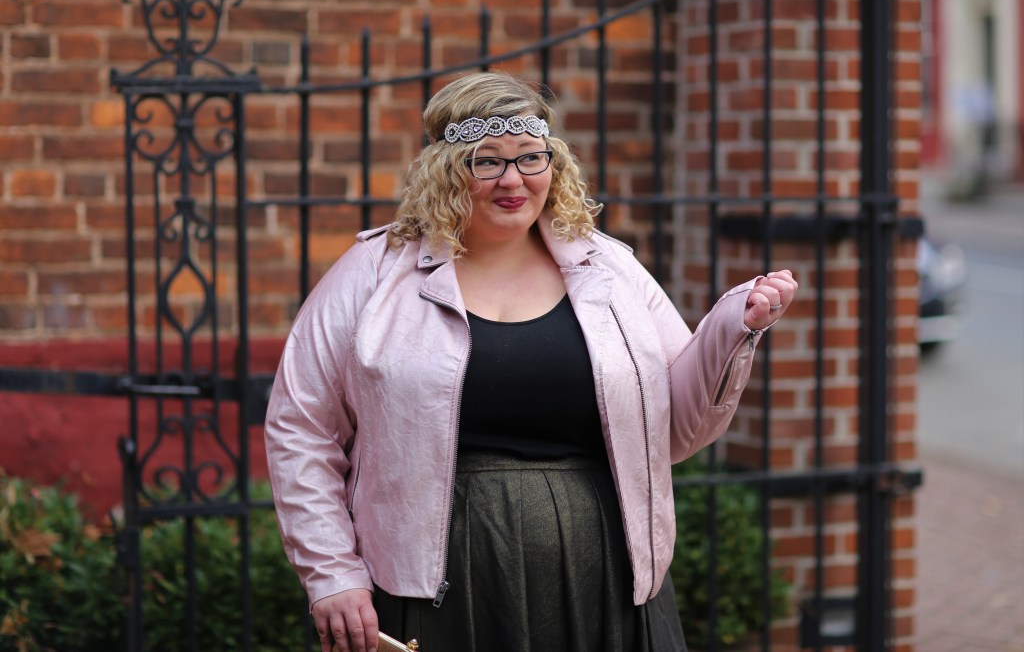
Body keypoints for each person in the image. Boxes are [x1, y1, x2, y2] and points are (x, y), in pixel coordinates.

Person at [264, 71, 798, 652]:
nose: (513, 179)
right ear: (446, 170)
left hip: (606, 574)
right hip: (431, 583)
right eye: (487, 161)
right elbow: (301, 427)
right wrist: (332, 574)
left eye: (529, 157)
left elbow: (675, 429)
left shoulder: (609, 271)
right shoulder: (373, 274)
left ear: (553, 162)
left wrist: (731, 327)